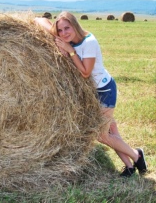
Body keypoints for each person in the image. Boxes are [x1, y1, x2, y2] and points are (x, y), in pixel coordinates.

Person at [34, 11, 147, 177]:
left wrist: (70, 51)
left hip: (105, 90)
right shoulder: (68, 38)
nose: (64, 33)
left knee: (102, 135)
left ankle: (137, 155)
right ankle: (129, 166)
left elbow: (86, 72)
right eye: (60, 30)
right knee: (111, 130)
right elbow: (41, 20)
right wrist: (45, 25)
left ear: (75, 25)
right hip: (93, 92)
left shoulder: (89, 42)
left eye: (67, 28)